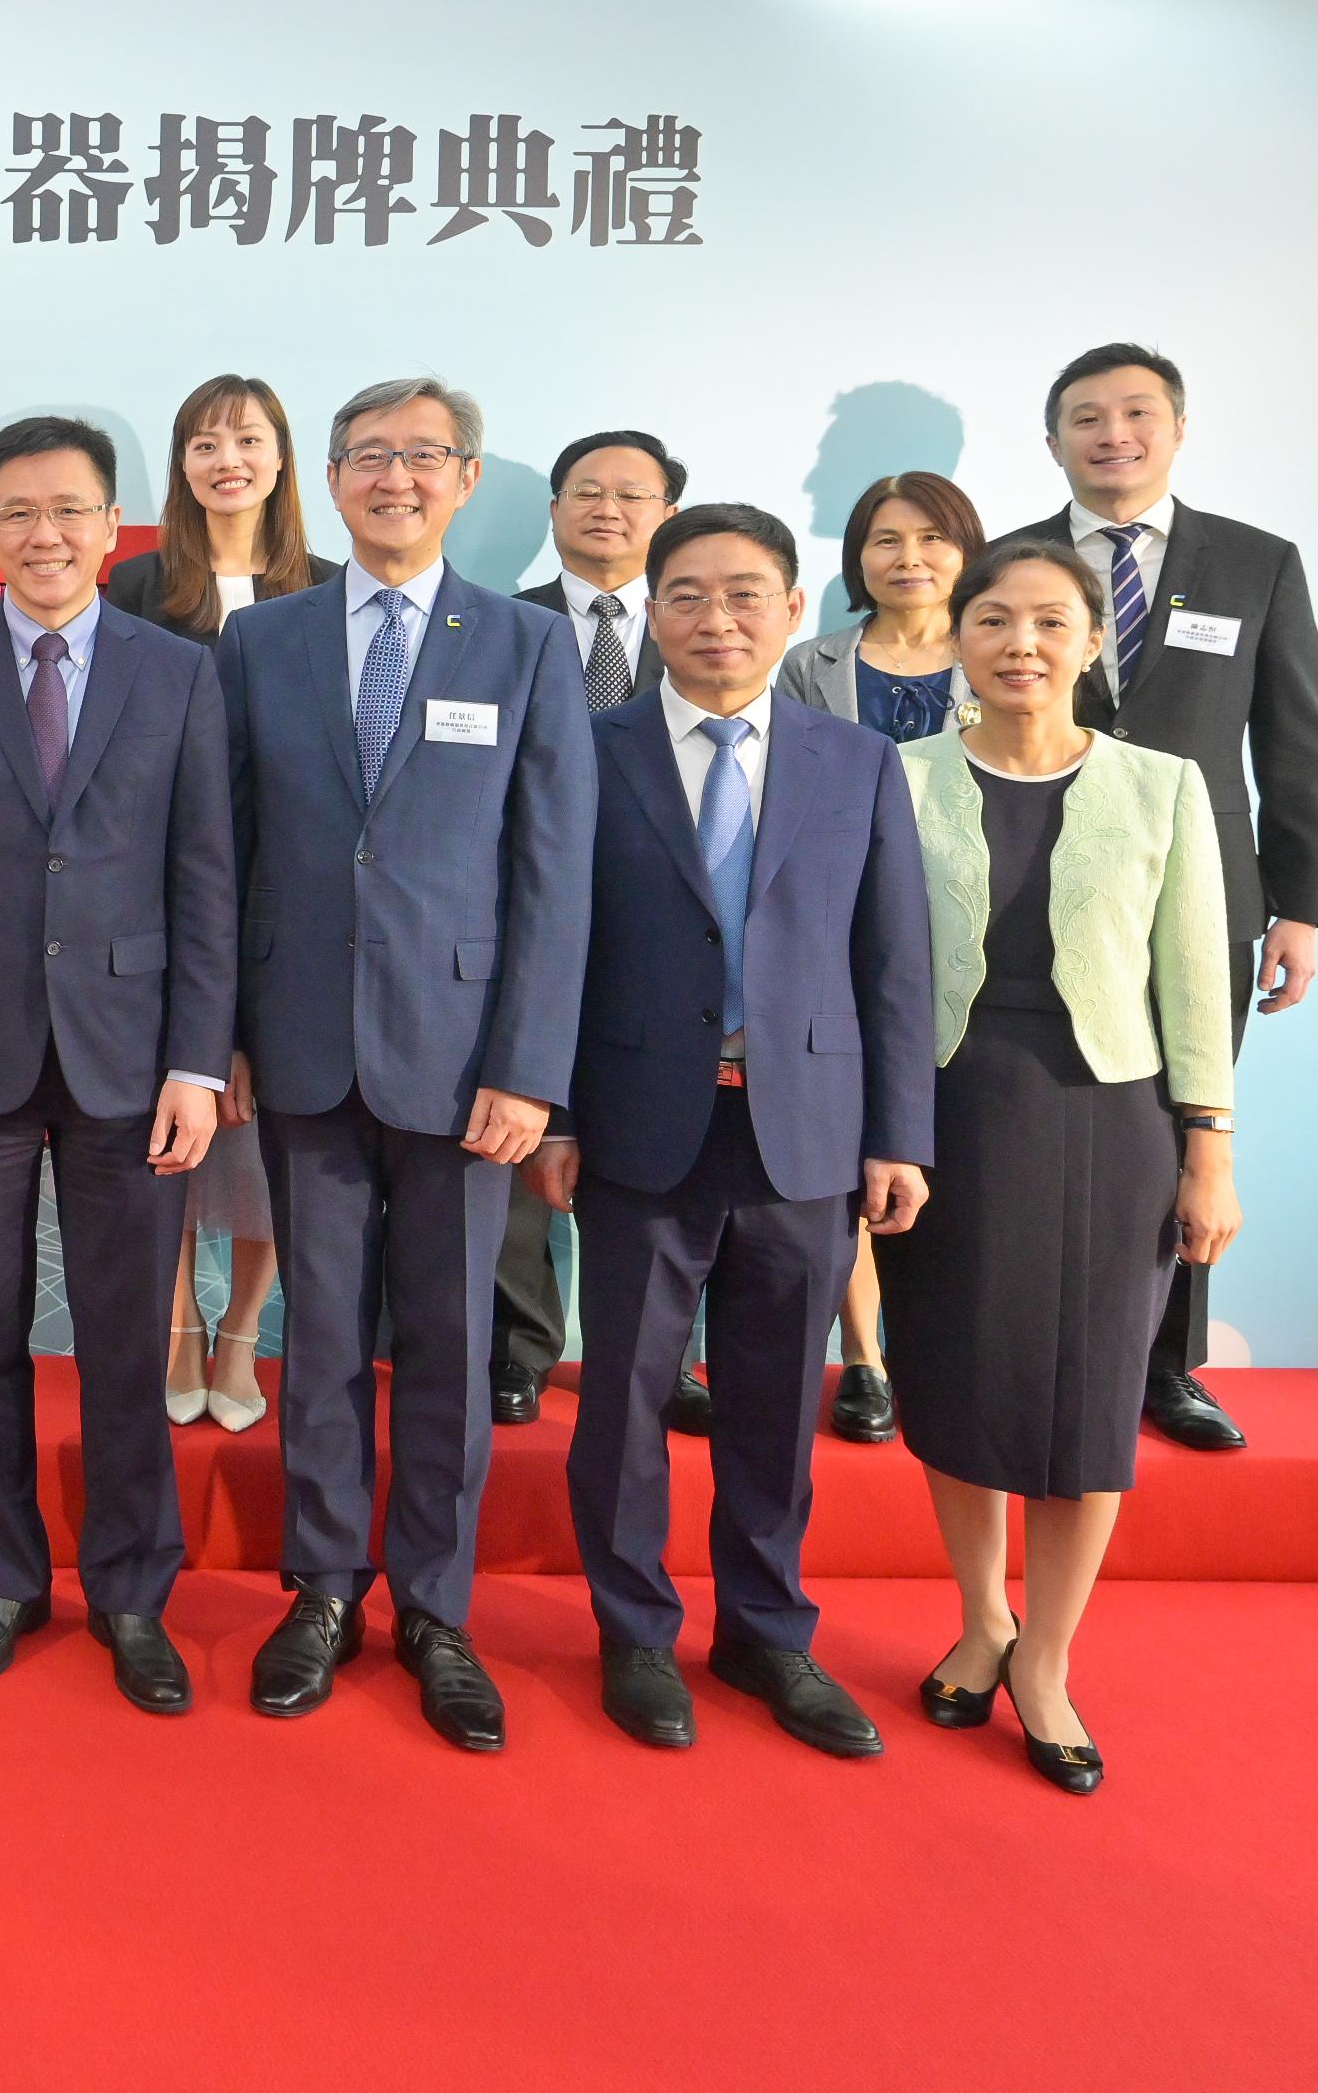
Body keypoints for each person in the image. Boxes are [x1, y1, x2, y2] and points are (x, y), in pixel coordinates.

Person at [217, 376, 592, 1748]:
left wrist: (527, 1068)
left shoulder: (522, 647)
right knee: (316, 1345)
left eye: (421, 457)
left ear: (466, 479)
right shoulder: (260, 642)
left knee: (441, 1345)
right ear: (325, 479)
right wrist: (227, 1039)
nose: (393, 479)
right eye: (367, 456)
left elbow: (554, 876)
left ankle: (434, 1608)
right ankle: (320, 1589)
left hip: (461, 1071)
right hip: (303, 1053)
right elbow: (228, 855)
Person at [530, 504, 933, 1758]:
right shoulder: (586, 750)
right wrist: (549, 1109)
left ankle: (766, 1628)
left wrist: (896, 1133)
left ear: (793, 609)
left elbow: (893, 959)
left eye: (746, 594)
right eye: (690, 595)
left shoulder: (852, 760)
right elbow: (550, 948)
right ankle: (634, 1629)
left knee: (772, 1401)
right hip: (638, 1123)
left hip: (802, 1129)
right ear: (648, 613)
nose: (718, 619)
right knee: (626, 1399)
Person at [0, 416, 234, 1714]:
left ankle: (132, 1592)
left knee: (127, 1339)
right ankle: (5, 1579)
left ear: (111, 525)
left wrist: (198, 1059)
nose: (43, 534)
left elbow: (205, 880)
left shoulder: (179, 676)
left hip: (131, 1060)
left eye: (68, 510)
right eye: (17, 512)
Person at [883, 537, 1237, 1795]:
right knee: (959, 1375)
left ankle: (1045, 1657)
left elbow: (1195, 975)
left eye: (1047, 620)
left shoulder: (1161, 784)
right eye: (992, 618)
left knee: (1087, 1399)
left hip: (1111, 1118)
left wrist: (1209, 1149)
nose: (1019, 643)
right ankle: (979, 1616)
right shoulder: (897, 776)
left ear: (1091, 640)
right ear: (955, 637)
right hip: (941, 1116)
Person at [995, 343, 1318, 1454]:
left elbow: (1294, 740)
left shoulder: (1254, 562)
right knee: (1032, 1122)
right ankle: (1029, 1342)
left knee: (1188, 1124)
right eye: (1084, 416)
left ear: (1175, 429)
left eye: (1135, 412)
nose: (1111, 433)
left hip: (1203, 896)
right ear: (1052, 441)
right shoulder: (1005, 561)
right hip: (1027, 892)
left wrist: (1298, 902)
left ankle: (1164, 1365)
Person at [104, 374, 325, 1435]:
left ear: (282, 460)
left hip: (297, 901)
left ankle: (239, 1328)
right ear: (179, 466)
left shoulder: (328, 592)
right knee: (174, 1119)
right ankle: (177, 1324)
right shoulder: (133, 585)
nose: (223, 457)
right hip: (162, 895)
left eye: (245, 438)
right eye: (200, 441)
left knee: (274, 1125)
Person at [776, 469, 990, 1445]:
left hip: (971, 921)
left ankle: (946, 1348)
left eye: (930, 538)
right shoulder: (808, 661)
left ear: (964, 546)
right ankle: (861, 1358)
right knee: (849, 1144)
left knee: (956, 1147)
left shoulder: (1005, 648)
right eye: (884, 539)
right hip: (837, 927)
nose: (908, 558)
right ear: (855, 555)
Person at [492, 431, 695, 1434]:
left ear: (666, 512)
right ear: (554, 509)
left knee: (668, 1151)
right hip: (517, 921)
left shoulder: (702, 626)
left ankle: (668, 1356)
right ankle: (519, 1349)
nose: (605, 507)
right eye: (585, 490)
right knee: (514, 1137)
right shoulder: (494, 626)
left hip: (659, 929)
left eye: (630, 493)